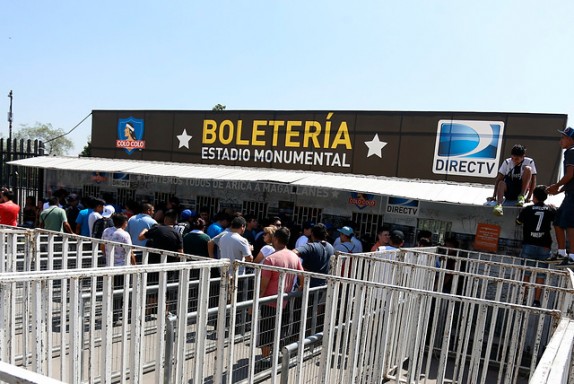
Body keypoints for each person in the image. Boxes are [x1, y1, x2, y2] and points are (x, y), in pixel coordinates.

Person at [256, 227, 304, 370]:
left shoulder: (271, 259)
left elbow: (263, 286)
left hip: (269, 301)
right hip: (286, 300)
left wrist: (255, 303)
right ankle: (276, 357)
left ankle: (265, 360)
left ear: (275, 239)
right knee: (281, 330)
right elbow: (302, 276)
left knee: (266, 331)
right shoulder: (294, 257)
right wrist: (299, 288)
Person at [516, 185, 556, 306]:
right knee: (541, 274)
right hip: (544, 246)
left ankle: (523, 298)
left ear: (534, 196)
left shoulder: (527, 209)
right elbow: (557, 220)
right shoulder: (550, 209)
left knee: (526, 273)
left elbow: (518, 222)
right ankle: (536, 301)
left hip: (529, 244)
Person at [101, 213, 135, 325]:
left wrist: (107, 256)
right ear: (124, 223)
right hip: (122, 267)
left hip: (109, 266)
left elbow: (102, 246)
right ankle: (126, 316)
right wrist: (135, 265)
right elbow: (130, 252)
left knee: (112, 292)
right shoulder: (125, 235)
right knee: (125, 291)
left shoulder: (106, 231)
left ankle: (113, 315)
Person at [547, 127, 574, 265]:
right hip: (570, 193)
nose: (561, 140)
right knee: (561, 223)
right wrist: (559, 189)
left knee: (567, 224)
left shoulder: (571, 152)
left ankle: (571, 256)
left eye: (563, 137)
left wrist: (556, 185)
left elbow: (570, 174)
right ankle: (562, 252)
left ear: (570, 139)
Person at [490, 144, 537, 216]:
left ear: (523, 157)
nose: (514, 161)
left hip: (520, 190)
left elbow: (533, 180)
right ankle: (499, 205)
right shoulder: (507, 162)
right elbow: (498, 180)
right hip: (509, 190)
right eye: (512, 158)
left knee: (528, 169)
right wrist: (494, 196)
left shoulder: (529, 162)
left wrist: (529, 197)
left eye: (517, 159)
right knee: (501, 183)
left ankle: (521, 197)